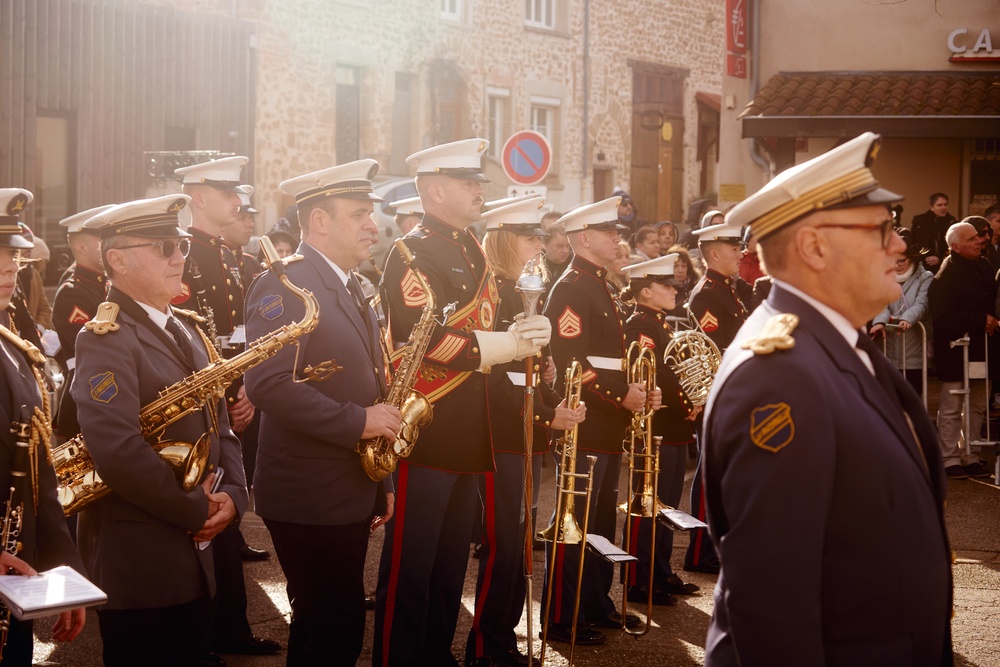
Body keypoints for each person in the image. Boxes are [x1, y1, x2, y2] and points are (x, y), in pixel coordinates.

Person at [702, 132, 952, 666]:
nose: (900, 245)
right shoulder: (780, 375)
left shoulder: (835, 340)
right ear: (815, 247)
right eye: (880, 229)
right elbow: (771, 605)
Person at [374, 139, 551, 667]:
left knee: (449, 569)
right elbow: (419, 339)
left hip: (472, 431)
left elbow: (488, 325)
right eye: (468, 183)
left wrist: (522, 331)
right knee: (412, 565)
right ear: (434, 190)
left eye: (478, 182)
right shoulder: (410, 252)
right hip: (426, 426)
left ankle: (435, 654)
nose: (480, 191)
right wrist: (502, 346)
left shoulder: (472, 247)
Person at [72, 194, 249, 666]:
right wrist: (196, 510)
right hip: (141, 563)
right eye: (164, 246)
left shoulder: (187, 328)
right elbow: (117, 449)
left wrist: (234, 495)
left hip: (197, 553)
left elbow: (222, 429)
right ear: (118, 260)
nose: (179, 258)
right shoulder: (103, 338)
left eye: (183, 246)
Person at [244, 160, 398, 666]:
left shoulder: (351, 282)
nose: (373, 225)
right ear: (319, 223)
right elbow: (267, 385)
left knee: (322, 626)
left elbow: (369, 382)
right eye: (359, 214)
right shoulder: (285, 287)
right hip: (308, 495)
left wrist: (382, 481)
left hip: (347, 486)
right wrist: (360, 422)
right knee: (336, 628)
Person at [465, 196, 586, 667]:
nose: (540, 243)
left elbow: (526, 373)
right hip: (501, 436)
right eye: (530, 236)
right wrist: (541, 417)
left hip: (524, 436)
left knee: (518, 547)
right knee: (503, 547)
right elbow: (490, 381)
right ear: (503, 240)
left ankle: (501, 640)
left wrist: (552, 387)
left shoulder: (524, 289)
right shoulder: (490, 295)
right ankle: (487, 646)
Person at [541, 196, 661, 645]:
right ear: (584, 238)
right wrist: (620, 393)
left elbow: (609, 358)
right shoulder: (573, 285)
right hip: (587, 421)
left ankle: (593, 602)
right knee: (576, 520)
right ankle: (561, 615)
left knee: (598, 525)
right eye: (611, 233)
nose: (619, 239)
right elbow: (570, 358)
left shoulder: (599, 284)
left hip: (606, 423)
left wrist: (638, 387)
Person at [172, 156, 278, 656]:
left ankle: (227, 628)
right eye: (226, 193)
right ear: (197, 197)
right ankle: (212, 631)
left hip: (237, 393)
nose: (238, 201)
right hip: (208, 400)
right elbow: (195, 340)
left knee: (229, 517)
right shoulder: (185, 254)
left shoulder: (227, 254)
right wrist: (229, 393)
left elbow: (239, 335)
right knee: (208, 520)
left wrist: (247, 387)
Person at [0, 189, 87, 665]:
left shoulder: (13, 342)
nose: (12, 266)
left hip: (16, 577)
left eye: (13, 254)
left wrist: (64, 571)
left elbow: (37, 473)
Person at [619, 253, 700, 607]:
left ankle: (661, 570)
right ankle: (639, 578)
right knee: (647, 503)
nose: (674, 291)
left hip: (673, 426)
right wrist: (688, 402)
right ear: (645, 291)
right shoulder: (640, 325)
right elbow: (656, 374)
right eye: (666, 286)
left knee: (665, 505)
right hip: (655, 427)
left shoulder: (662, 324)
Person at [683, 218, 747, 575]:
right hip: (714, 392)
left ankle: (715, 545)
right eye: (735, 249)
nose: (741, 254)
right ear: (715, 253)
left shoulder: (727, 289)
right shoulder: (708, 292)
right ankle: (699, 552)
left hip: (729, 390)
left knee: (723, 471)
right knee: (711, 472)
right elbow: (715, 349)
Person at [928, 218, 996, 480]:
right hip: (956, 350)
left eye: (977, 237)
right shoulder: (945, 275)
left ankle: (971, 454)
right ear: (955, 247)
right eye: (971, 239)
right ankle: (949, 458)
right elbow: (943, 318)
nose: (978, 241)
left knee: (978, 404)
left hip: (982, 349)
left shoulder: (984, 265)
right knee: (952, 405)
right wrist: (982, 319)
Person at [51, 204, 113, 439]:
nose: (109, 243)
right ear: (80, 246)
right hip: (85, 405)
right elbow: (96, 349)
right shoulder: (72, 292)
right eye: (101, 238)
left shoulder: (106, 283)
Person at [869, 230, 933, 396]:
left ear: (910, 258)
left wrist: (907, 319)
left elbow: (922, 303)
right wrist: (879, 322)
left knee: (913, 399)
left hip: (914, 352)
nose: (896, 265)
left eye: (901, 261)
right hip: (887, 350)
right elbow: (881, 303)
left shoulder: (925, 277)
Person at [911, 192, 957, 274]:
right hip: (921, 266)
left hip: (943, 266)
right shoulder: (920, 221)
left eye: (945, 204)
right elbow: (913, 242)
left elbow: (954, 245)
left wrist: (940, 258)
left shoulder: (952, 223)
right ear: (932, 207)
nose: (943, 207)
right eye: (939, 205)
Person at [665, 245, 700, 321]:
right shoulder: (664, 289)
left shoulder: (697, 287)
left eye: (684, 266)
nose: (680, 270)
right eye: (675, 266)